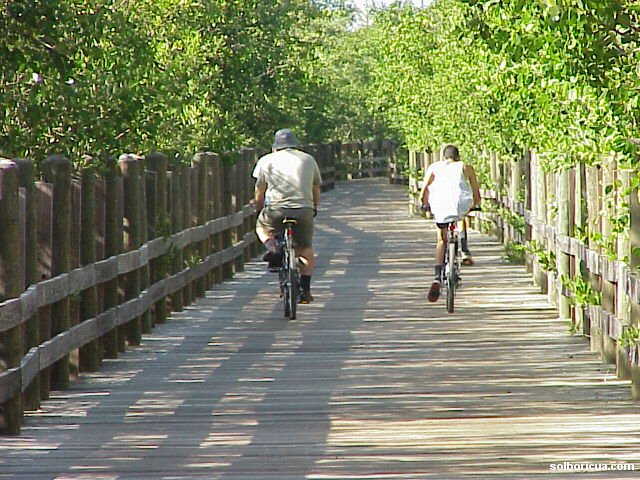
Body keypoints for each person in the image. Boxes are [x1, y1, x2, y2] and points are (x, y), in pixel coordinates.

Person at [252, 128, 322, 304]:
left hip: (276, 209)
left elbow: (259, 189)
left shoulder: (266, 160)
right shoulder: (308, 159)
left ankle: (273, 248)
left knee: (261, 227)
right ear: (295, 144)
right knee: (305, 248)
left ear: (276, 146)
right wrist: (313, 208)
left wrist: (259, 208)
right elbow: (316, 188)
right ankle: (305, 291)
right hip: (303, 209)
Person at [419, 144, 481, 302]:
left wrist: (424, 203)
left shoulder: (435, 167)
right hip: (460, 203)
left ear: (443, 157)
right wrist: (476, 203)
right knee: (462, 216)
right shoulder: (465, 167)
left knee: (441, 240)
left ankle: (436, 277)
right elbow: (475, 190)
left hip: (440, 204)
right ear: (458, 157)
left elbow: (424, 190)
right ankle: (465, 249)